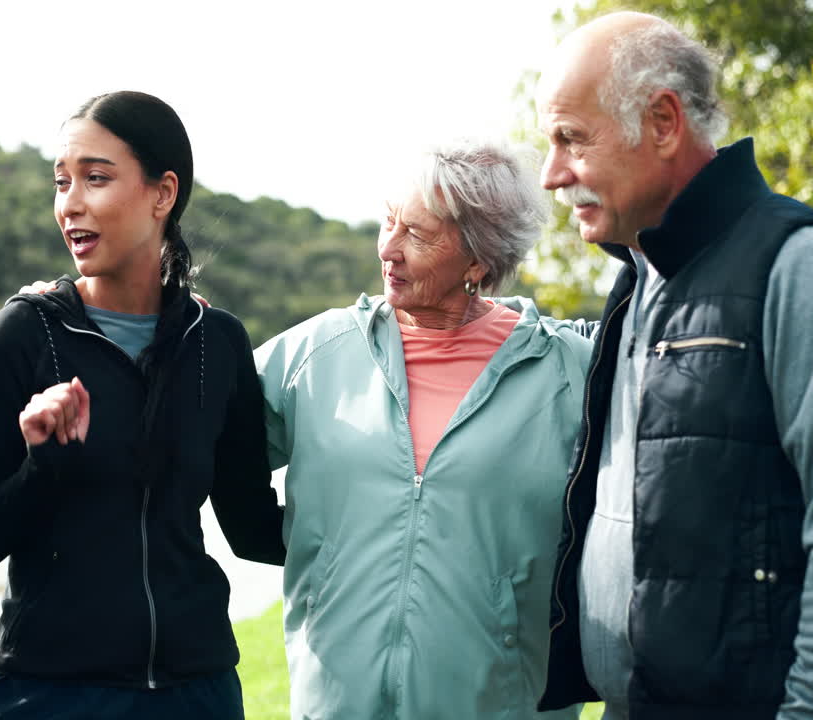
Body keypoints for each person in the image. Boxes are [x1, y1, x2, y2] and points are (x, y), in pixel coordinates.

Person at [0, 90, 285, 720]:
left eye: (96, 179)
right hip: (49, 694)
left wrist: (380, 515)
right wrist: (43, 465)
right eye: (61, 181)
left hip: (199, 690)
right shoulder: (27, 333)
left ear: (163, 194)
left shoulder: (215, 343)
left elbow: (253, 527)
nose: (70, 203)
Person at [534, 12, 813, 719]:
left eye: (572, 139)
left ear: (663, 122)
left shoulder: (798, 266)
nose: (551, 175)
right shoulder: (636, 276)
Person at [253, 139, 590, 719]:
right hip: (338, 703)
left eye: (418, 234)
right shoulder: (316, 351)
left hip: (499, 704)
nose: (389, 248)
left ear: (478, 261)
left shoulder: (568, 372)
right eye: (389, 221)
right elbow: (192, 430)